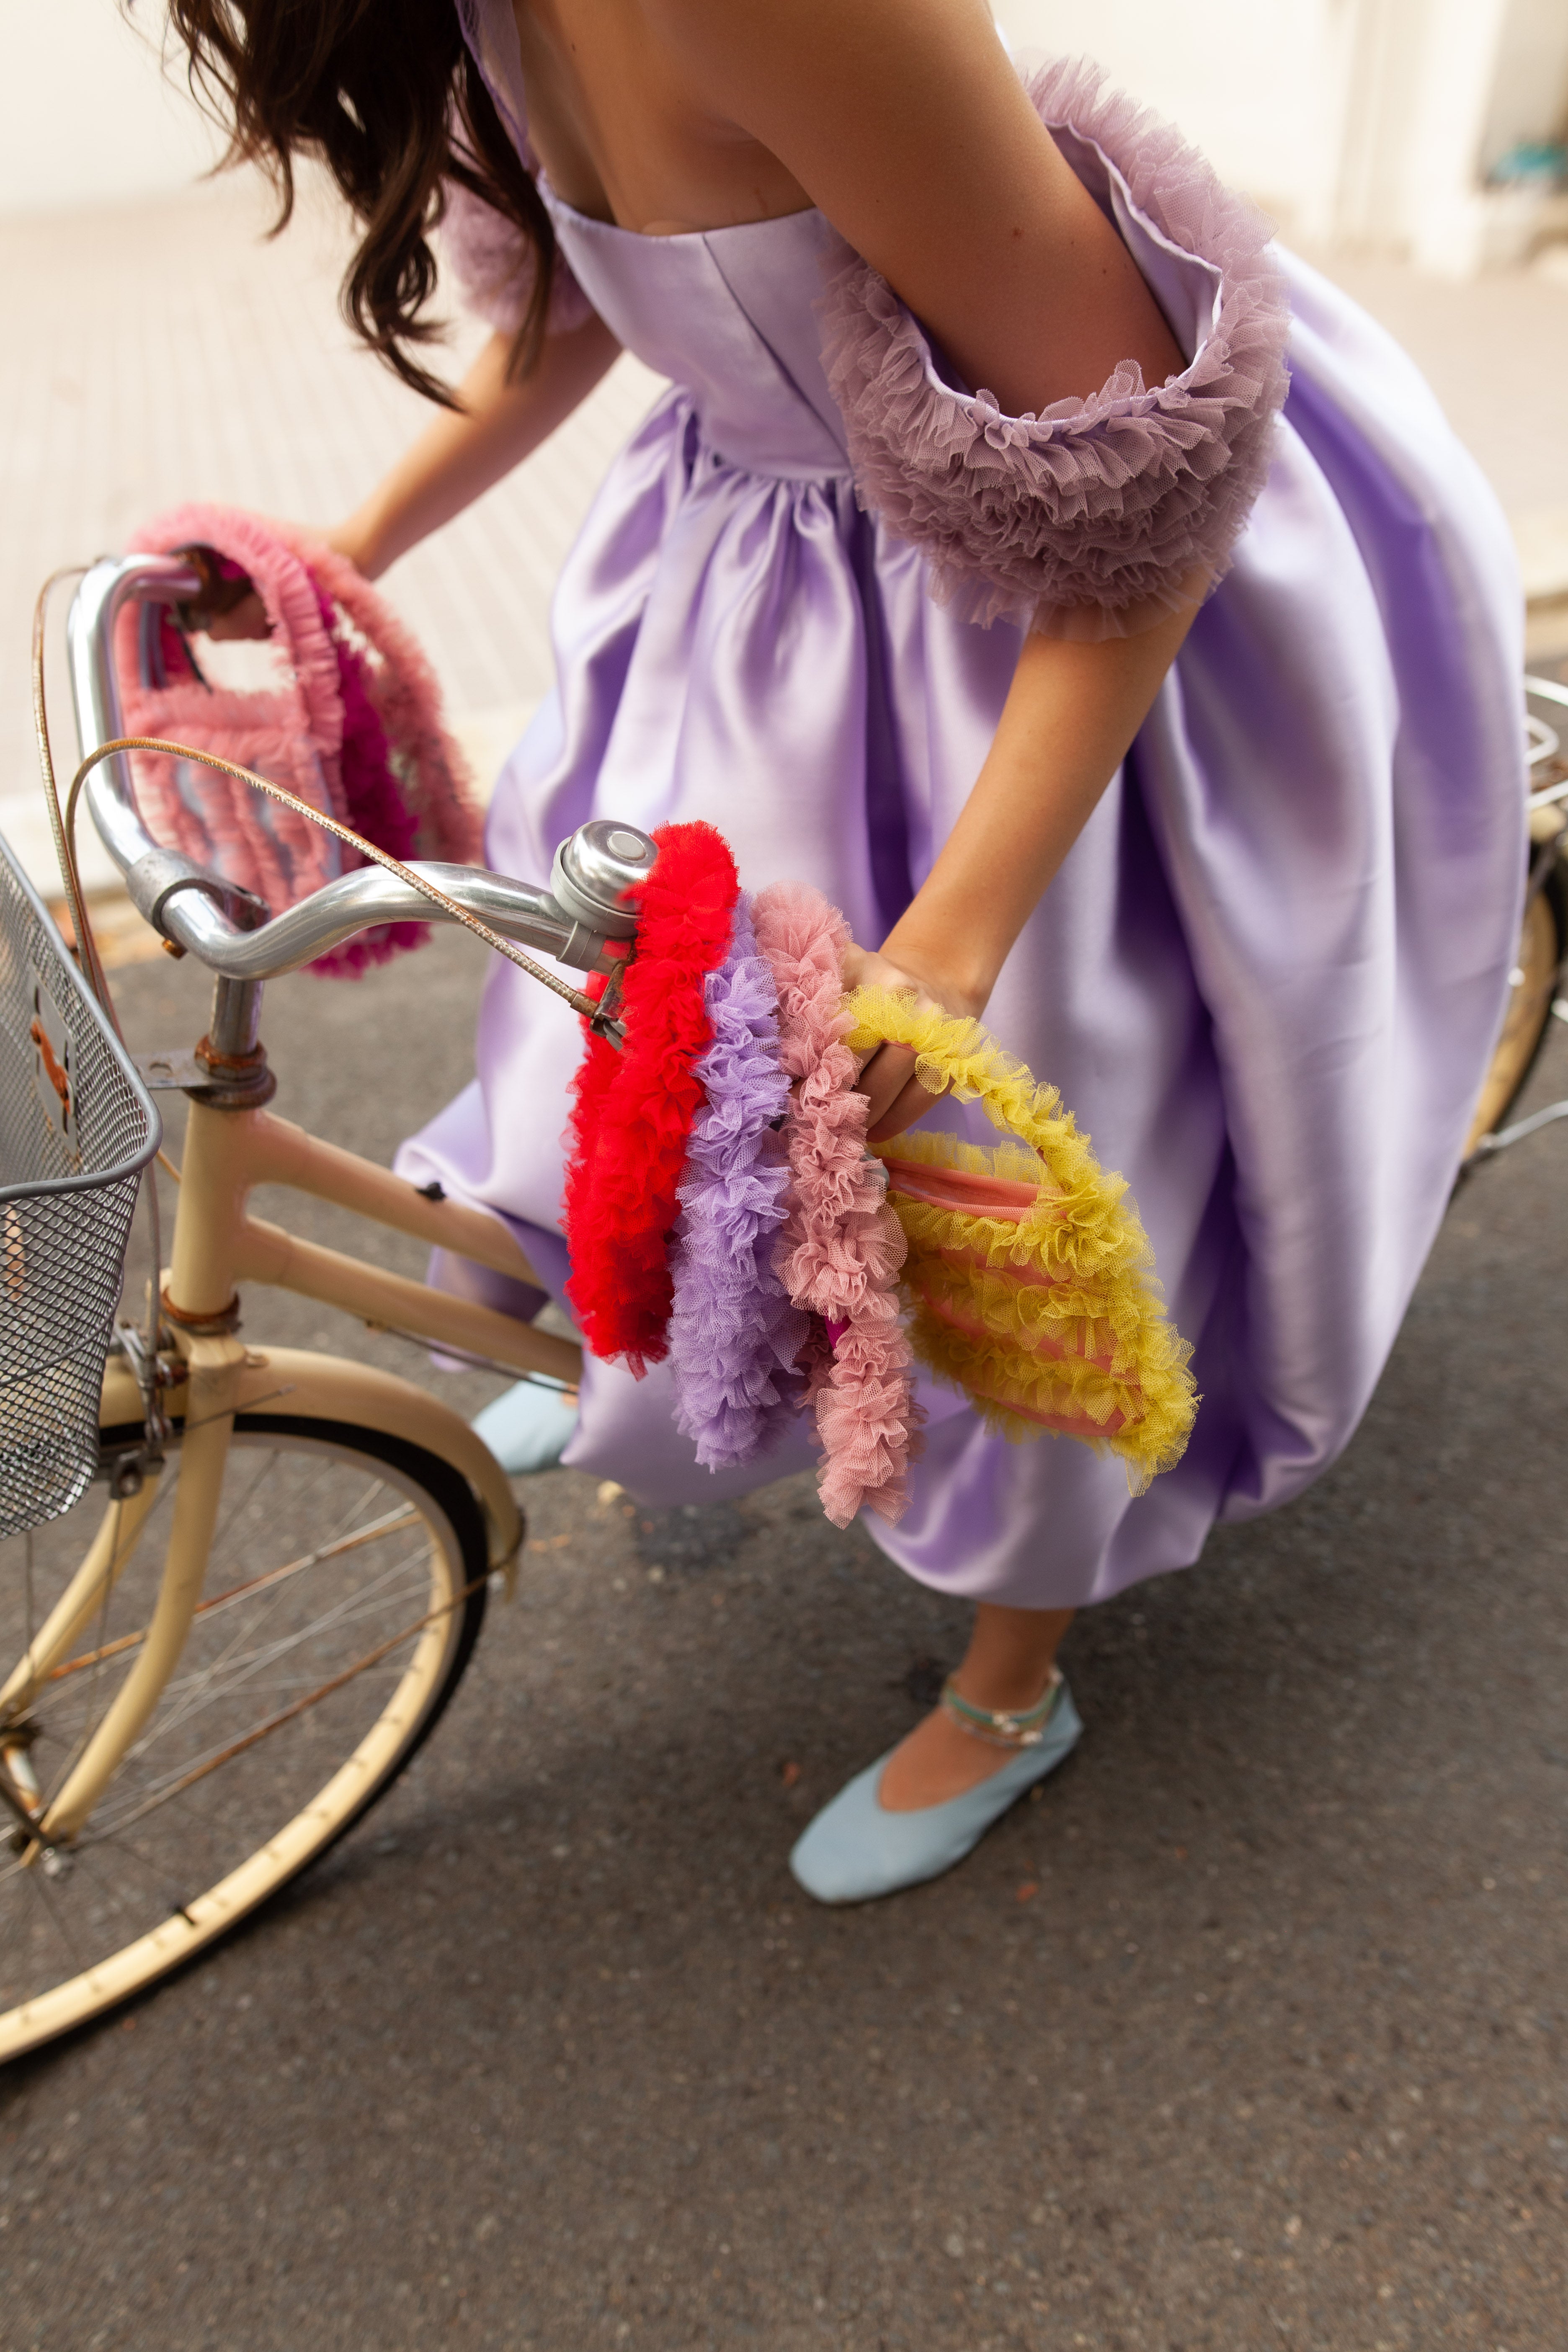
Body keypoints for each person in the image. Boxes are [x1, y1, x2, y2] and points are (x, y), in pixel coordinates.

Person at [169, 0, 1524, 1902]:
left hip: (1044, 622)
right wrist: (349, 547)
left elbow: (1147, 479)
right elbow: (583, 301)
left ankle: (1012, 1679)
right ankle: (652, 1339)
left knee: (1005, 1153)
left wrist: (954, 949)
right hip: (756, 602)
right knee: (626, 1030)